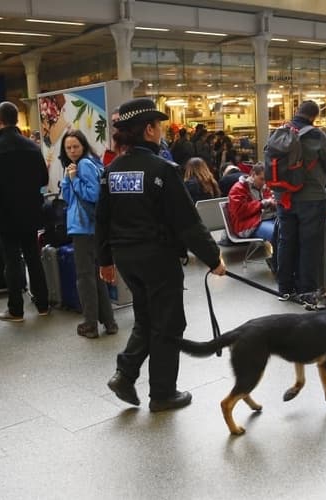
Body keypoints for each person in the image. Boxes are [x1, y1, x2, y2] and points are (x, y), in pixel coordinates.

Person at [97, 98, 225, 412]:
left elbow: (101, 218)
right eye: (159, 125)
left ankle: (125, 375)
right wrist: (214, 259)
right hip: (158, 258)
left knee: (146, 317)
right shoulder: (162, 170)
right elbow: (187, 223)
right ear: (150, 130)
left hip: (127, 258)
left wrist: (105, 261)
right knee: (168, 323)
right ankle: (163, 393)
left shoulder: (112, 171)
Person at [0, 102, 51, 321]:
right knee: (33, 257)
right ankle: (43, 304)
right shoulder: (31, 146)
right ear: (16, 120)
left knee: (11, 260)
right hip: (30, 211)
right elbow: (43, 178)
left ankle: (16, 309)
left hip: (4, 214)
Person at [275, 100, 326, 300]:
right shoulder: (316, 135)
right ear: (314, 116)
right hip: (311, 198)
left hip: (283, 197)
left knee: (286, 242)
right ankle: (307, 291)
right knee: (310, 245)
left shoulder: (278, 132)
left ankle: (284, 288)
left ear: (297, 111)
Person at [58, 130, 117, 339]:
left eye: (75, 146)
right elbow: (68, 198)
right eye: (68, 148)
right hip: (88, 227)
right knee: (95, 276)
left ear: (83, 146)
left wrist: (73, 180)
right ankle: (109, 322)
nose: (72, 151)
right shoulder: (79, 165)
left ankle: (90, 323)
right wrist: (68, 179)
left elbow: (93, 194)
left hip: (84, 228)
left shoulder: (84, 165)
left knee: (85, 277)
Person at [227, 161, 278, 248]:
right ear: (253, 174)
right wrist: (263, 203)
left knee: (289, 229)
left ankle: (280, 259)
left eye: (266, 180)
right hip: (248, 225)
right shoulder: (239, 188)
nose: (264, 183)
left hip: (264, 219)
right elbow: (239, 212)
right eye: (262, 179)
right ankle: (276, 260)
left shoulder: (263, 187)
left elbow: (270, 201)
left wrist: (274, 204)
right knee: (279, 234)